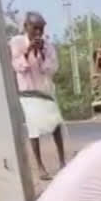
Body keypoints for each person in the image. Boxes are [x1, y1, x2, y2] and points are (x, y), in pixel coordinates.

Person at [10, 11, 65, 181]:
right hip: (28, 91)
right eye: (35, 29)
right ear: (26, 27)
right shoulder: (16, 42)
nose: (39, 33)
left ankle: (62, 162)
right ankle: (40, 167)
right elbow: (18, 66)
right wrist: (28, 51)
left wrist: (41, 53)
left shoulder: (48, 46)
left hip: (46, 91)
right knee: (34, 128)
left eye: (41, 29)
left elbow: (51, 69)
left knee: (55, 125)